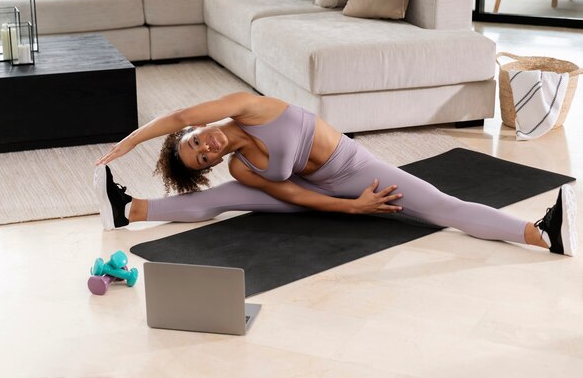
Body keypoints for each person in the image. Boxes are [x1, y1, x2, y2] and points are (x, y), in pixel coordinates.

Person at [94, 92, 578, 256]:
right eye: (202, 158)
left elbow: (176, 116)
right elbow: (298, 197)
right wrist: (353, 210)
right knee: (228, 197)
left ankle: (540, 235)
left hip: (354, 170)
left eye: (197, 140)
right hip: (324, 191)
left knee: (440, 206)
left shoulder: (248, 107)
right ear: (212, 163)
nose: (206, 147)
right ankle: (128, 210)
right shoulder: (241, 167)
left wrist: (132, 140)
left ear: (200, 128)